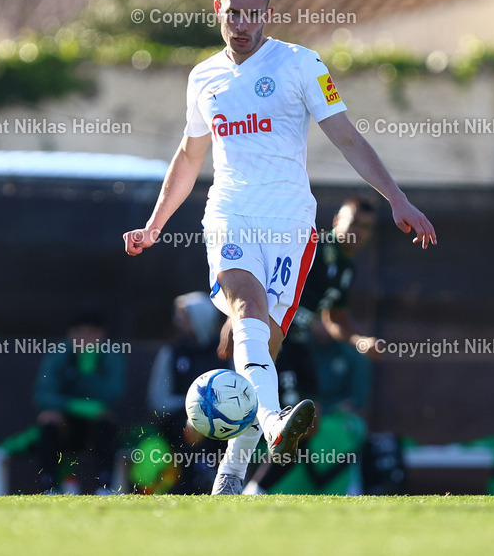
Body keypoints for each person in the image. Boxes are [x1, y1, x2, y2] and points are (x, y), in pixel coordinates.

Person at [122, 0, 436, 496]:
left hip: (290, 227)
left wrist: (397, 198)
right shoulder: (204, 77)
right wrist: (155, 224)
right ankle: (271, 423)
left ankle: (233, 470)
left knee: (260, 347)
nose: (242, 24)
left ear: (268, 14)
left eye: (254, 13)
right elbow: (189, 154)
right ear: (217, 9)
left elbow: (348, 139)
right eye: (234, 12)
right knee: (246, 310)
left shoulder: (301, 64)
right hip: (229, 215)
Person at [243, 199, 376, 495]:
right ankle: (241, 483)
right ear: (337, 219)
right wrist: (240, 320)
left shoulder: (345, 268)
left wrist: (358, 340)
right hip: (278, 340)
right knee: (281, 421)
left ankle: (255, 489)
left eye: (366, 227)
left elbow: (335, 317)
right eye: (354, 222)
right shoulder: (313, 248)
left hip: (300, 346)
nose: (359, 231)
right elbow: (267, 275)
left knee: (307, 425)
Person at [144, 291, 228, 493]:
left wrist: (207, 412)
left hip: (221, 420)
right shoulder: (171, 352)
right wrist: (195, 411)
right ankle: (192, 484)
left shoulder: (225, 351)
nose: (176, 321)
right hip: (178, 424)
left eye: (184, 316)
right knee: (190, 426)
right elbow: (158, 401)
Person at [34, 311, 126, 495]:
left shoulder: (112, 357)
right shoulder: (58, 355)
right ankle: (49, 486)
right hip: (66, 426)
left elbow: (112, 396)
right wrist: (76, 406)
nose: (86, 338)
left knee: (105, 419)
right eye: (80, 332)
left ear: (102, 335)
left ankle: (105, 486)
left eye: (92, 332)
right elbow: (43, 395)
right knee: (49, 419)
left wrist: (89, 371)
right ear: (70, 334)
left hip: (96, 426)